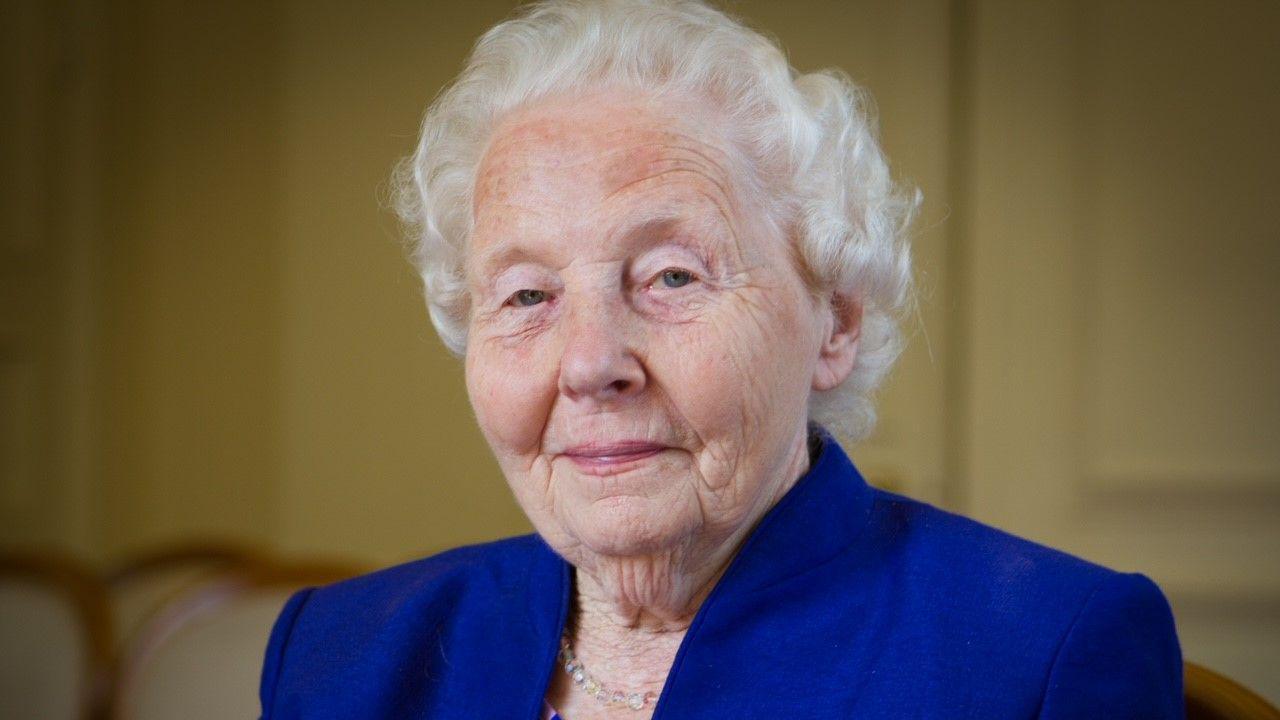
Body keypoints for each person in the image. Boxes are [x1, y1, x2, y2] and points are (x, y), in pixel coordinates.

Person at [258, 1, 1183, 717]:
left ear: (836, 324)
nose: (590, 365)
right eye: (528, 296)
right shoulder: (341, 652)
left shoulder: (1040, 656)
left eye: (670, 277)